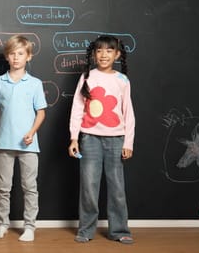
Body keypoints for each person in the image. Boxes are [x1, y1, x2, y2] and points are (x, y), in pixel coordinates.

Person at [67, 35, 135, 244]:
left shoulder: (122, 80)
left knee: (116, 187)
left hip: (116, 139)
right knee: (89, 185)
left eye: (108, 50)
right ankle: (86, 230)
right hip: (90, 139)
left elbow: (128, 112)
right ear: (94, 54)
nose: (103, 54)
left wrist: (128, 142)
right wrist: (74, 138)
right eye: (99, 50)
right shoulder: (87, 77)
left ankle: (119, 230)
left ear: (117, 54)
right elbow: (77, 109)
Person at [0, 35, 47, 242]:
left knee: (30, 187)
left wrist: (32, 132)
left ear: (28, 56)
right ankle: (2, 224)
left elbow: (41, 113)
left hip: (29, 145)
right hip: (3, 143)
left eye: (20, 53)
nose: (16, 57)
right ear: (7, 56)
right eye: (12, 54)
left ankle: (29, 226)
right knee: (3, 187)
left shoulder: (35, 84)